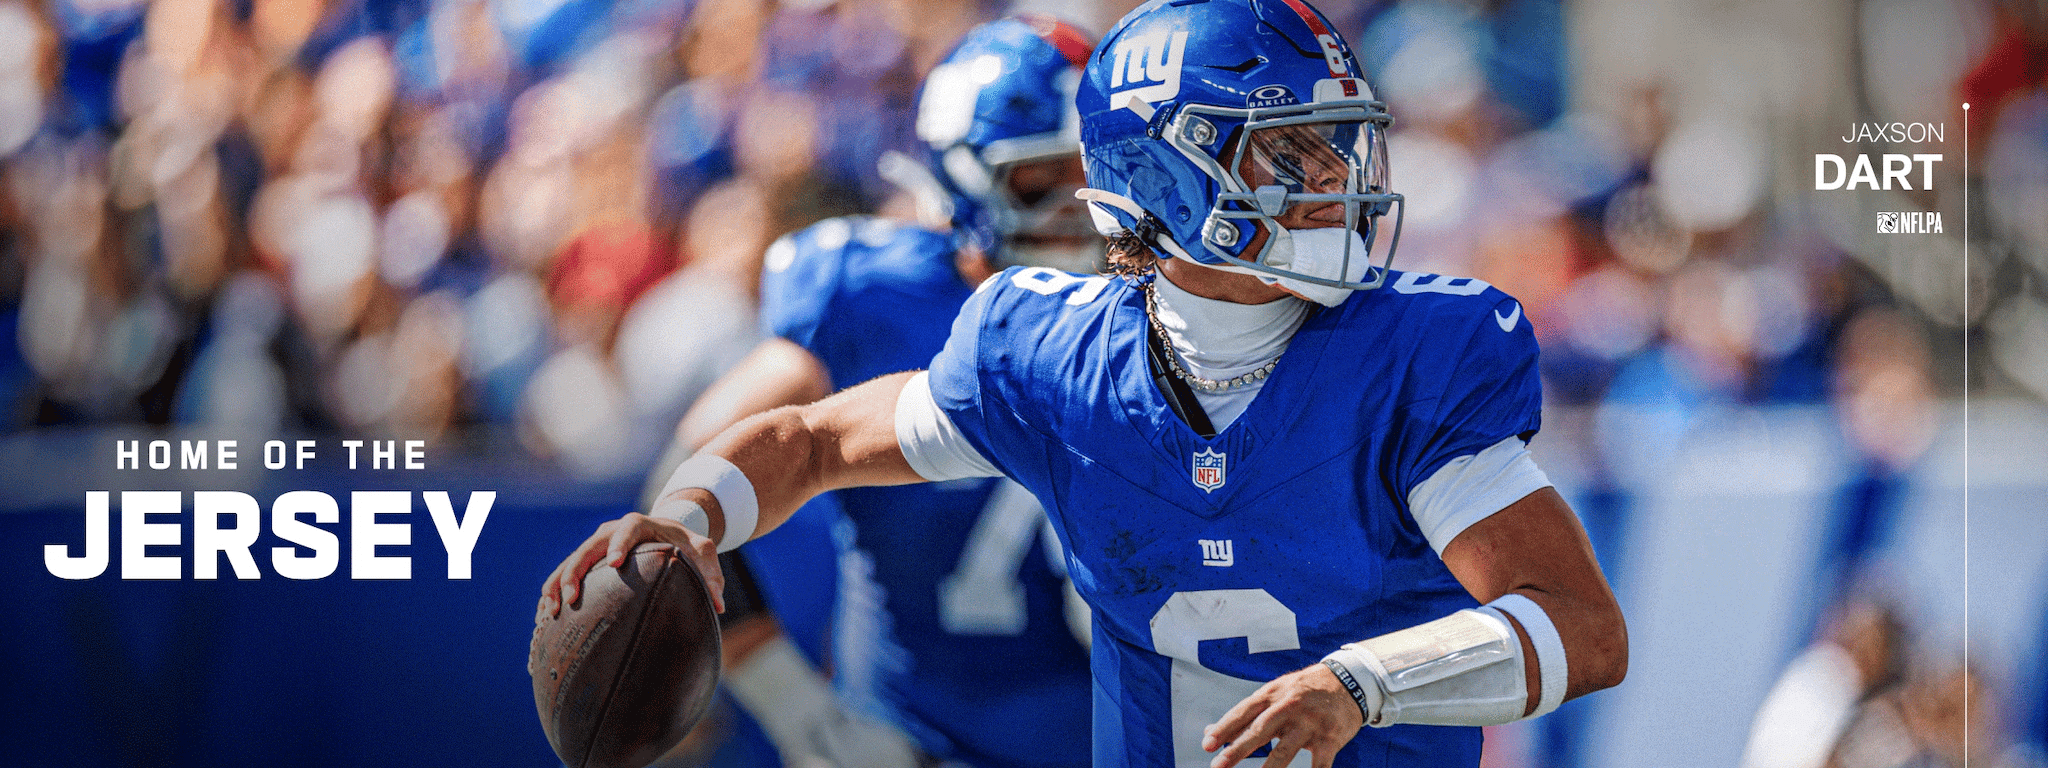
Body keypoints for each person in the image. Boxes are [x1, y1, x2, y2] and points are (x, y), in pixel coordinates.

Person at [542, 1, 1628, 766]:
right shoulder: (1045, 351)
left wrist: (1361, 684)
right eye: (1288, 154)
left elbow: (1582, 625)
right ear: (1163, 178)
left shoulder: (1412, 354)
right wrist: (685, 519)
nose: (1333, 182)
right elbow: (812, 441)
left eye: (1335, 147)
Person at [634, 15, 1099, 768]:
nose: (1080, 203)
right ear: (962, 172)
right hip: (902, 738)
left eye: (1098, 169)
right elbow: (684, 478)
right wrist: (794, 705)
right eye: (1044, 176)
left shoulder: (1163, 307)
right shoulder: (870, 296)